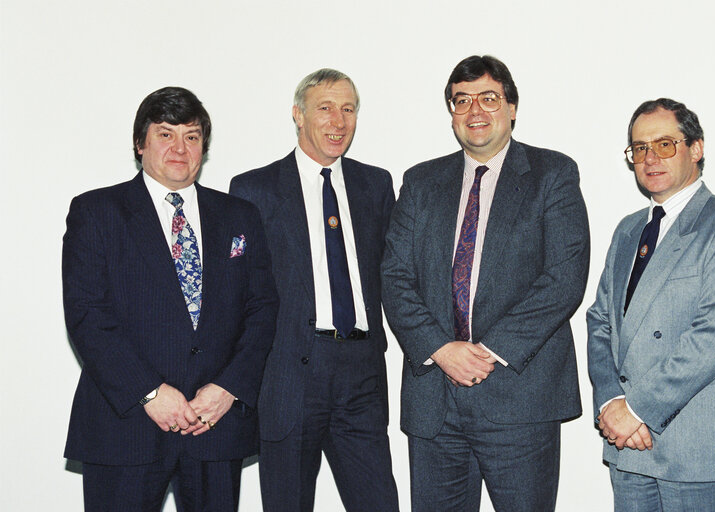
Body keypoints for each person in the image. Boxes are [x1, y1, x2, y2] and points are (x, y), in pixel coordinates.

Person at [381, 55, 590, 511]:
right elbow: (394, 278)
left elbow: (564, 278)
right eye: (462, 100)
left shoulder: (552, 174)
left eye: (489, 98)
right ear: (451, 112)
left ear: (512, 108)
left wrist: (487, 352)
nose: (475, 111)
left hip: (520, 398)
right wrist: (441, 349)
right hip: (434, 399)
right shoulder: (419, 182)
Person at [62, 86, 278, 511]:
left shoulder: (239, 216)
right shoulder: (96, 212)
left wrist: (229, 388)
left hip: (213, 426)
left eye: (192, 136)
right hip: (126, 429)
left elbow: (262, 309)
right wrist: (148, 393)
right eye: (165, 134)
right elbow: (87, 316)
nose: (180, 148)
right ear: (140, 144)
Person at [229, 68, 398, 512]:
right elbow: (240, 295)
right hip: (289, 377)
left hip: (362, 375)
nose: (338, 122)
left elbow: (395, 275)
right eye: (325, 108)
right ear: (298, 115)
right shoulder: (253, 190)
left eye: (348, 109)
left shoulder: (376, 185)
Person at [587, 98, 715, 511]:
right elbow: (600, 321)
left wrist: (637, 409)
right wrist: (610, 402)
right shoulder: (629, 229)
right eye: (639, 148)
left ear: (696, 149)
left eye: (665, 144)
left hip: (699, 442)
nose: (650, 158)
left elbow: (714, 337)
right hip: (630, 445)